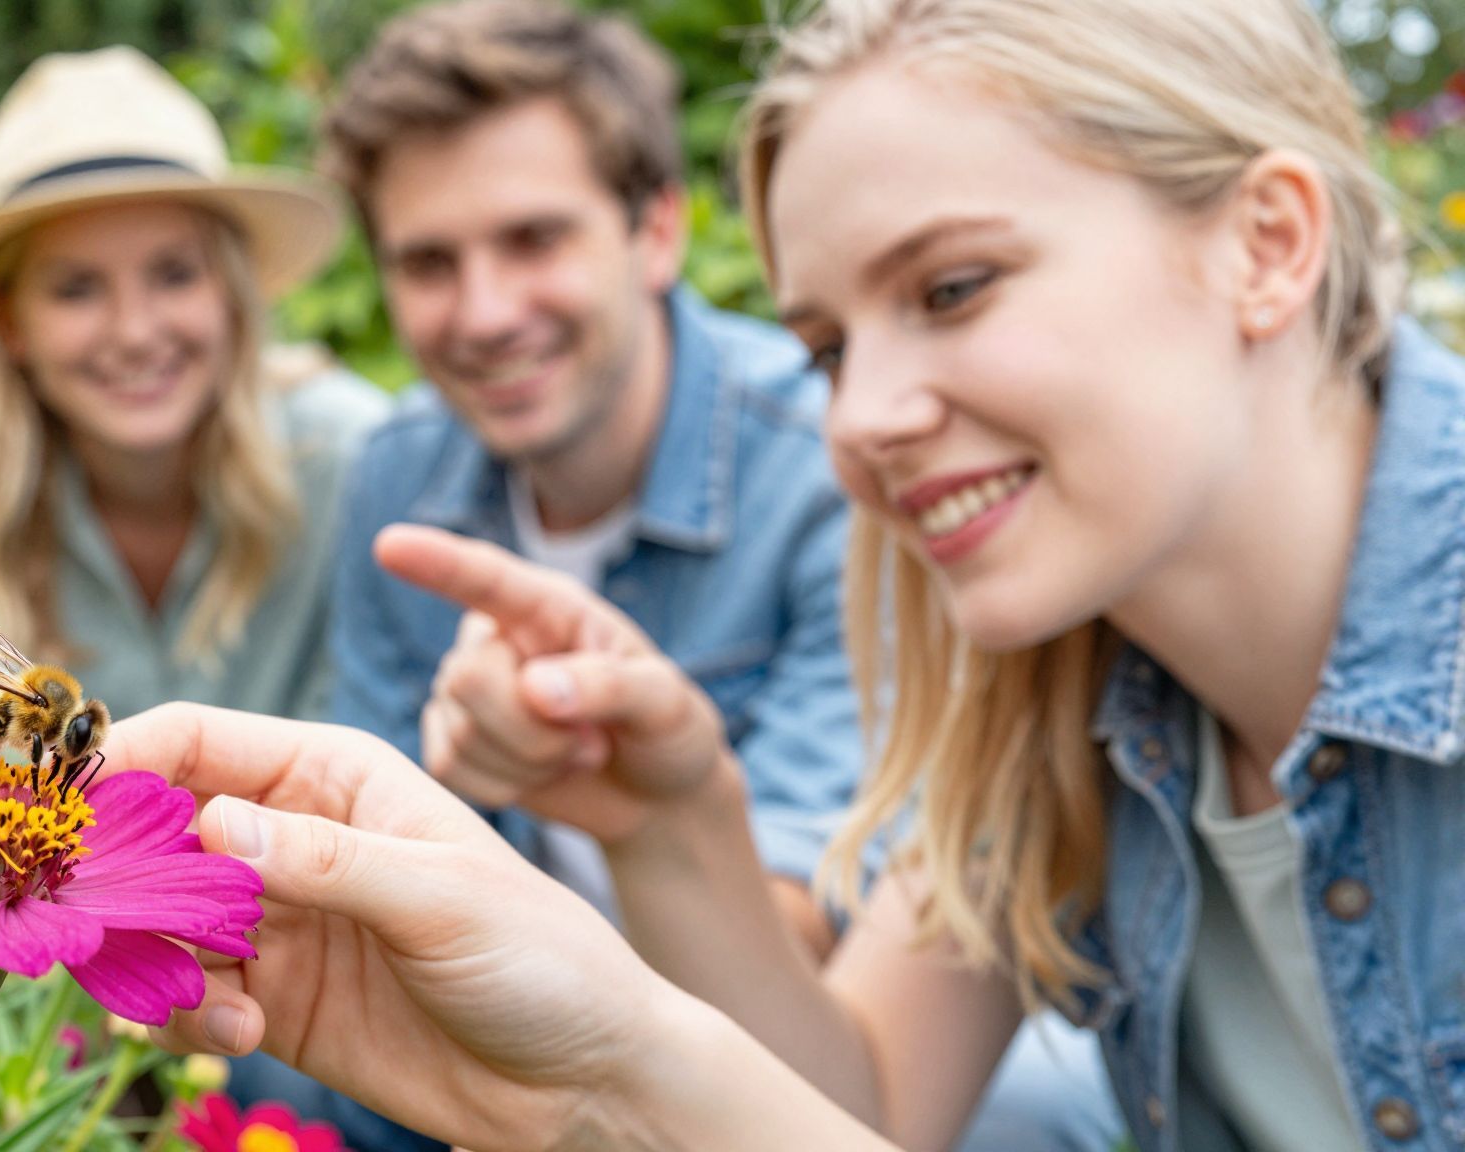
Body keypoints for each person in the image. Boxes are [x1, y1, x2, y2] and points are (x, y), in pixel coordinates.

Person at [105, 0, 1465, 1149]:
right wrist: (669, 820)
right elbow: (855, 1105)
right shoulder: (1051, 686)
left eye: (950, 289)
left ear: (1268, 243)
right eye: (824, 348)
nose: (862, 419)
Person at [229, 2, 1116, 1149]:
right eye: (429, 263)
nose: (485, 312)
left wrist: (623, 794)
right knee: (262, 1055)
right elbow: (370, 895)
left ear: (653, 230)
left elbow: (816, 952)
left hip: (761, 1028)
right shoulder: (396, 481)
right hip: (498, 1010)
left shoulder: (834, 465)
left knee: (1026, 1114)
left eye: (532, 239)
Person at [0, 47, 388, 721]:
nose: (135, 332)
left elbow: (382, 742)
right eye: (76, 288)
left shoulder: (349, 453)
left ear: (231, 294)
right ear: (11, 322)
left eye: (175, 273)